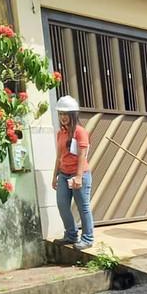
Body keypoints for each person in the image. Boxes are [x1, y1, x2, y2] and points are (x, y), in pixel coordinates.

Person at [51, 95, 94, 250]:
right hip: (63, 174)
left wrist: (79, 177)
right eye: (60, 114)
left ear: (73, 114)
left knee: (83, 206)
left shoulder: (80, 132)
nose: (63, 117)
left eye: (66, 114)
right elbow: (59, 156)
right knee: (62, 204)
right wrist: (55, 176)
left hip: (79, 174)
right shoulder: (60, 133)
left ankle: (87, 238)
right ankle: (71, 235)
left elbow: (82, 155)